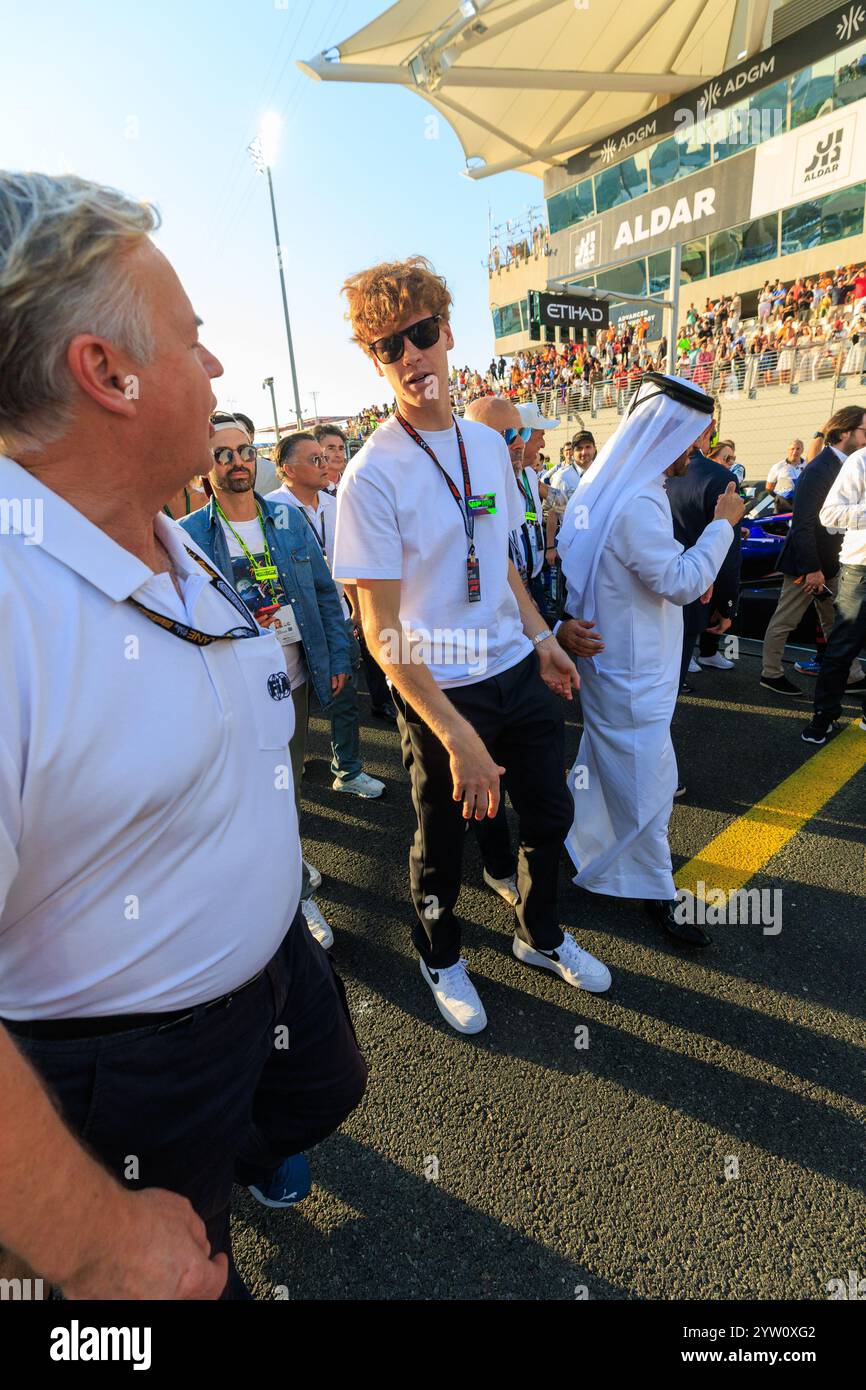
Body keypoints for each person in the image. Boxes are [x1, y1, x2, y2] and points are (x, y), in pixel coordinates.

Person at [0, 171, 366, 1300]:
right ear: (105, 372)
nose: (215, 368)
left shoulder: (161, 528)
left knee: (322, 1089)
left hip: (266, 977)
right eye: (193, 337)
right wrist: (96, 1240)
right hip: (121, 1062)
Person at [333, 256, 610, 1036]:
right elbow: (381, 632)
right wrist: (456, 736)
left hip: (516, 668)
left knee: (551, 816)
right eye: (391, 346)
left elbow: (501, 564)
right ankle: (440, 952)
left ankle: (540, 934)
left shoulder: (489, 448)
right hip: (438, 690)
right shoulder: (370, 477)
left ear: (447, 333)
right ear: (375, 360)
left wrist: (542, 636)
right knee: (441, 843)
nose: (412, 355)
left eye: (421, 334)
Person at [557, 374, 745, 946]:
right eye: (692, 439)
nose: (698, 450)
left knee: (617, 770)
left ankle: (592, 848)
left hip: (615, 664)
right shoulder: (639, 497)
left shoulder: (612, 484)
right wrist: (722, 526)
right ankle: (656, 892)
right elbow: (679, 582)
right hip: (632, 673)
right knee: (649, 784)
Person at [181, 420, 353, 947]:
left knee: (289, 789)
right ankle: (296, 894)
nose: (236, 461)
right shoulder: (187, 535)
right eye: (222, 453)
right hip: (236, 690)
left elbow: (324, 592)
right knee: (261, 795)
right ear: (204, 465)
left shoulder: (286, 517)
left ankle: (291, 872)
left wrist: (338, 653)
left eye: (243, 451)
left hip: (295, 679)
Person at [266, 431, 386, 800]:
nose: (326, 463)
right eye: (315, 459)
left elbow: (349, 563)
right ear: (287, 469)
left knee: (344, 695)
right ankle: (288, 768)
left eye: (326, 455)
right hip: (287, 624)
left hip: (334, 615)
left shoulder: (336, 505)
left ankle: (347, 770)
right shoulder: (269, 509)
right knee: (289, 699)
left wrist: (357, 611)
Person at [762, 407, 866, 698]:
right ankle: (770, 673)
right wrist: (811, 568)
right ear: (845, 432)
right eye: (865, 431)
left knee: (837, 621)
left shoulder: (847, 464)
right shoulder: (819, 468)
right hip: (806, 564)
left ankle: (852, 674)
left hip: (830, 564)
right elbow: (803, 524)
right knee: (786, 620)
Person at [667, 418, 743, 685]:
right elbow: (728, 552)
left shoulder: (653, 473)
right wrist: (727, 606)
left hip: (653, 589)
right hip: (695, 585)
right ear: (707, 432)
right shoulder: (721, 478)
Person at [802, 439, 866, 744]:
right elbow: (830, 515)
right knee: (842, 646)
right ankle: (823, 716)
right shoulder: (860, 461)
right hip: (861, 568)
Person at [766, 440, 805, 512]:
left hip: (802, 503)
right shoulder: (778, 466)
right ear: (788, 450)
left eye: (798, 449)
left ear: (802, 450)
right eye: (792, 449)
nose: (795, 451)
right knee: (779, 523)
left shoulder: (808, 466)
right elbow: (769, 488)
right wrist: (780, 499)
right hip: (783, 505)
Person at [315, 422, 349, 494]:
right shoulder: (312, 490)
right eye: (331, 448)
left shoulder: (354, 484)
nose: (338, 454)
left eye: (341, 448)